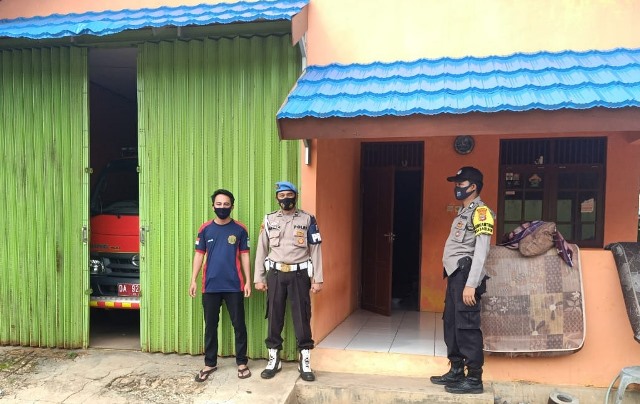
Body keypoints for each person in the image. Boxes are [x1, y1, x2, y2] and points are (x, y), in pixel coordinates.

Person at [430, 166, 494, 394]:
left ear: (473, 186)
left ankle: (474, 379)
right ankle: (456, 370)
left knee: (467, 326)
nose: (457, 187)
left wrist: (471, 284)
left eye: (461, 183)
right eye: (456, 183)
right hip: (455, 274)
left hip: (466, 277)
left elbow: (481, 251)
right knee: (451, 322)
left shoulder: (481, 212)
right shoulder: (464, 212)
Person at [254, 181, 323, 382]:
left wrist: (317, 278)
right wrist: (259, 277)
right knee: (274, 315)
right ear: (277, 198)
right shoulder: (269, 219)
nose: (286, 199)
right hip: (275, 274)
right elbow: (262, 249)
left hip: (299, 275)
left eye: (289, 195)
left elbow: (316, 249)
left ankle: (305, 360)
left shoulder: (308, 219)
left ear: (296, 196)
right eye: (282, 195)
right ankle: (274, 359)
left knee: (302, 316)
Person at [189, 189, 252, 382]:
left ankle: (242, 363)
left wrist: (248, 281)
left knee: (239, 325)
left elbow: (245, 255)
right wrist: (193, 279)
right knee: (210, 326)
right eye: (219, 204)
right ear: (213, 206)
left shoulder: (240, 229)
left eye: (226, 204)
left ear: (232, 206)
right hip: (210, 286)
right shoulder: (205, 229)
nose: (222, 207)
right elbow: (199, 255)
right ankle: (210, 363)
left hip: (234, 286)